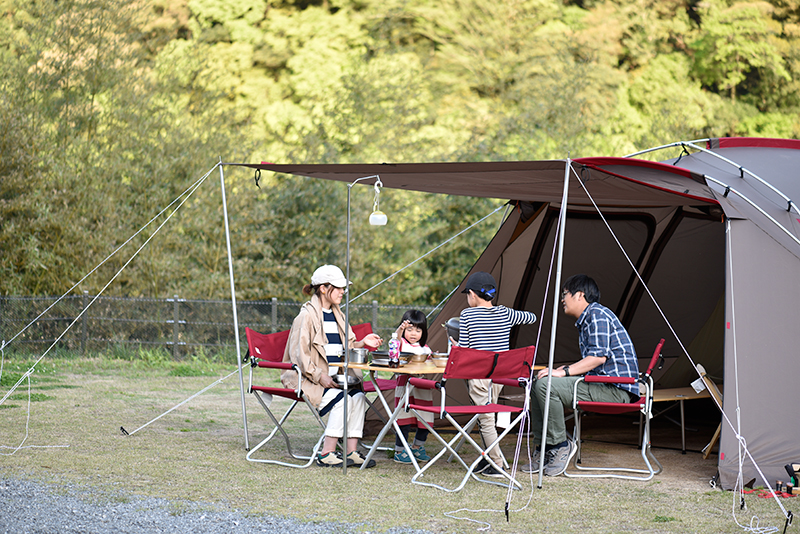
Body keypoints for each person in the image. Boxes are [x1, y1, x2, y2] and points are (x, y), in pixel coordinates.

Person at [524, 274, 639, 476]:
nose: (562, 299)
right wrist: (560, 372)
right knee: (539, 382)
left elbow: (598, 358)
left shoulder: (597, 315)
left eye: (565, 294)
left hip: (616, 389)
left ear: (580, 295)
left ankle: (559, 445)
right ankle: (543, 448)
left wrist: (563, 372)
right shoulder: (589, 318)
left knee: (546, 385)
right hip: (601, 384)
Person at [280, 265, 383, 468]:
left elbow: (349, 346)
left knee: (359, 396)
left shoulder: (339, 315)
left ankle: (351, 452)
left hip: (337, 379)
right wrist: (321, 377)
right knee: (342, 399)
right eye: (339, 287)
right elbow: (299, 357)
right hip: (310, 380)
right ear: (324, 288)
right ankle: (327, 453)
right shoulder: (305, 317)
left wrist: (363, 342)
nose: (343, 292)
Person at [457, 271, 537, 477]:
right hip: (499, 376)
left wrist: (455, 346)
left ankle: (497, 463)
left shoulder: (467, 315)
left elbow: (466, 350)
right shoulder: (506, 313)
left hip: (478, 375)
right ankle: (488, 460)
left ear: (473, 295)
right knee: (487, 416)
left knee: (485, 418)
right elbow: (532, 317)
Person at [391, 310, 433, 464]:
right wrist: (400, 329)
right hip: (405, 387)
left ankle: (417, 447)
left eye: (418, 330)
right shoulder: (401, 344)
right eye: (410, 329)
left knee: (426, 419)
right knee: (404, 420)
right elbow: (395, 339)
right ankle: (400, 450)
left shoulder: (426, 348)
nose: (413, 333)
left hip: (422, 389)